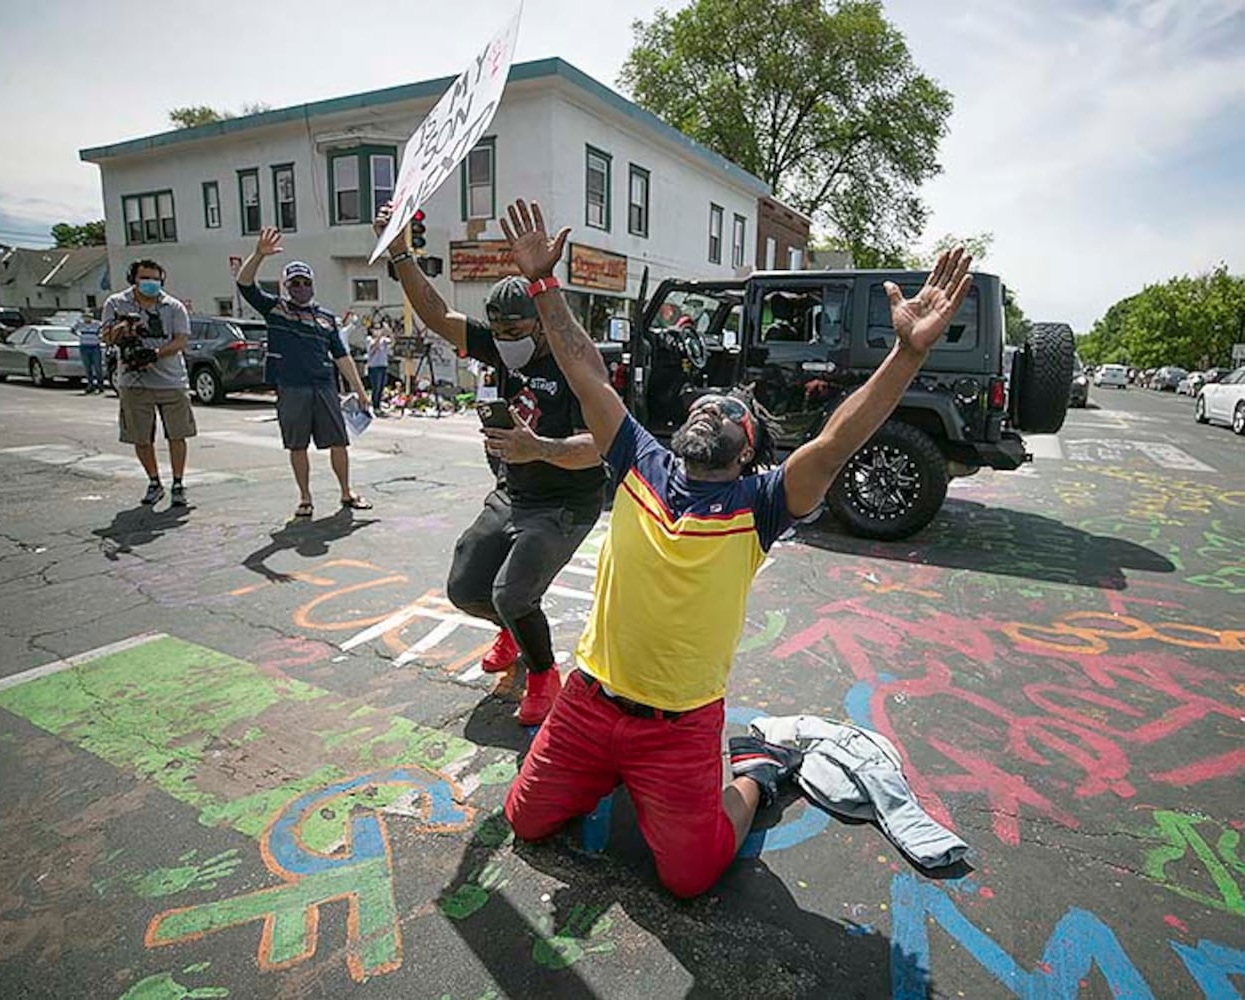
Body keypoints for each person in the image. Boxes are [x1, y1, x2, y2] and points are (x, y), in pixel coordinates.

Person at [494, 197, 974, 898]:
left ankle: (756, 767)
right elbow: (586, 371)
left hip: (679, 729)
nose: (707, 409)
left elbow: (836, 439)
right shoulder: (639, 462)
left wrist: (906, 352)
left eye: (727, 411)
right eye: (699, 405)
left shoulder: (761, 504)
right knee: (524, 820)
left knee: (690, 878)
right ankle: (612, 776)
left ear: (749, 448)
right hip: (589, 706)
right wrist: (543, 287)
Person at [374, 202, 607, 725]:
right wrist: (401, 253)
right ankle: (512, 627)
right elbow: (436, 314)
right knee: (465, 586)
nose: (507, 343)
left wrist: (539, 448)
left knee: (513, 591)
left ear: (541, 326)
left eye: (517, 332)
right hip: (514, 491)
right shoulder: (499, 348)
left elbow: (600, 445)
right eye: (498, 334)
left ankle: (545, 674)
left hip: (565, 501)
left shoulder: (573, 358)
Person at [235, 227, 373, 519]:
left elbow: (341, 356)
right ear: (286, 286)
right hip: (291, 388)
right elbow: (245, 285)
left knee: (339, 442)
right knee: (297, 445)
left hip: (324, 387)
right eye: (294, 283)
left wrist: (360, 391)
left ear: (312, 284)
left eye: (305, 282)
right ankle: (305, 498)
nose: (300, 287)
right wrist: (259, 254)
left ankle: (346, 492)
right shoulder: (275, 309)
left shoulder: (325, 318)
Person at [100, 260, 198, 507]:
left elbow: (180, 341)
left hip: (171, 379)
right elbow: (106, 337)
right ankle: (154, 481)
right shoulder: (116, 303)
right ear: (133, 279)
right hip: (134, 381)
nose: (151, 283)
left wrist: (155, 354)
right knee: (141, 437)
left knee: (178, 434)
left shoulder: (173, 306)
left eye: (155, 278)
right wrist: (122, 328)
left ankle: (178, 482)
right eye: (145, 278)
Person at [74, 311, 104, 394]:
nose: (87, 318)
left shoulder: (97, 324)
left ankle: (100, 385)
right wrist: (79, 336)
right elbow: (72, 330)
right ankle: (90, 385)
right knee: (87, 367)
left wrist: (100, 337)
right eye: (85, 317)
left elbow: (103, 329)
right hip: (84, 347)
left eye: (89, 316)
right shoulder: (80, 324)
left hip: (95, 347)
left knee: (98, 367)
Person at [366, 321, 392, 415]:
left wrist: (388, 330)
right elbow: (374, 347)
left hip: (383, 365)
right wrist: (380, 336)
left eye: (379, 328)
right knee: (375, 387)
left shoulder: (384, 340)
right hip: (374, 367)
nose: (377, 331)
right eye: (375, 329)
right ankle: (375, 407)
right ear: (371, 330)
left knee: (381, 387)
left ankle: (379, 406)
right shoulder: (369, 339)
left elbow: (392, 342)